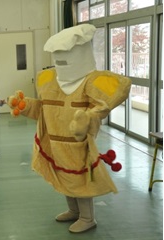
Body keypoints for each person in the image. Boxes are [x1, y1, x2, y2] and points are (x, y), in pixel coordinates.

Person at [7, 24, 131, 233]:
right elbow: (45, 110)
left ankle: (87, 217)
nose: (61, 60)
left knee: (80, 180)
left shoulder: (92, 82)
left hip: (79, 145)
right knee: (64, 178)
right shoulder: (51, 81)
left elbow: (99, 110)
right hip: (55, 143)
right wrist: (25, 105)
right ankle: (73, 211)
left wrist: (87, 121)